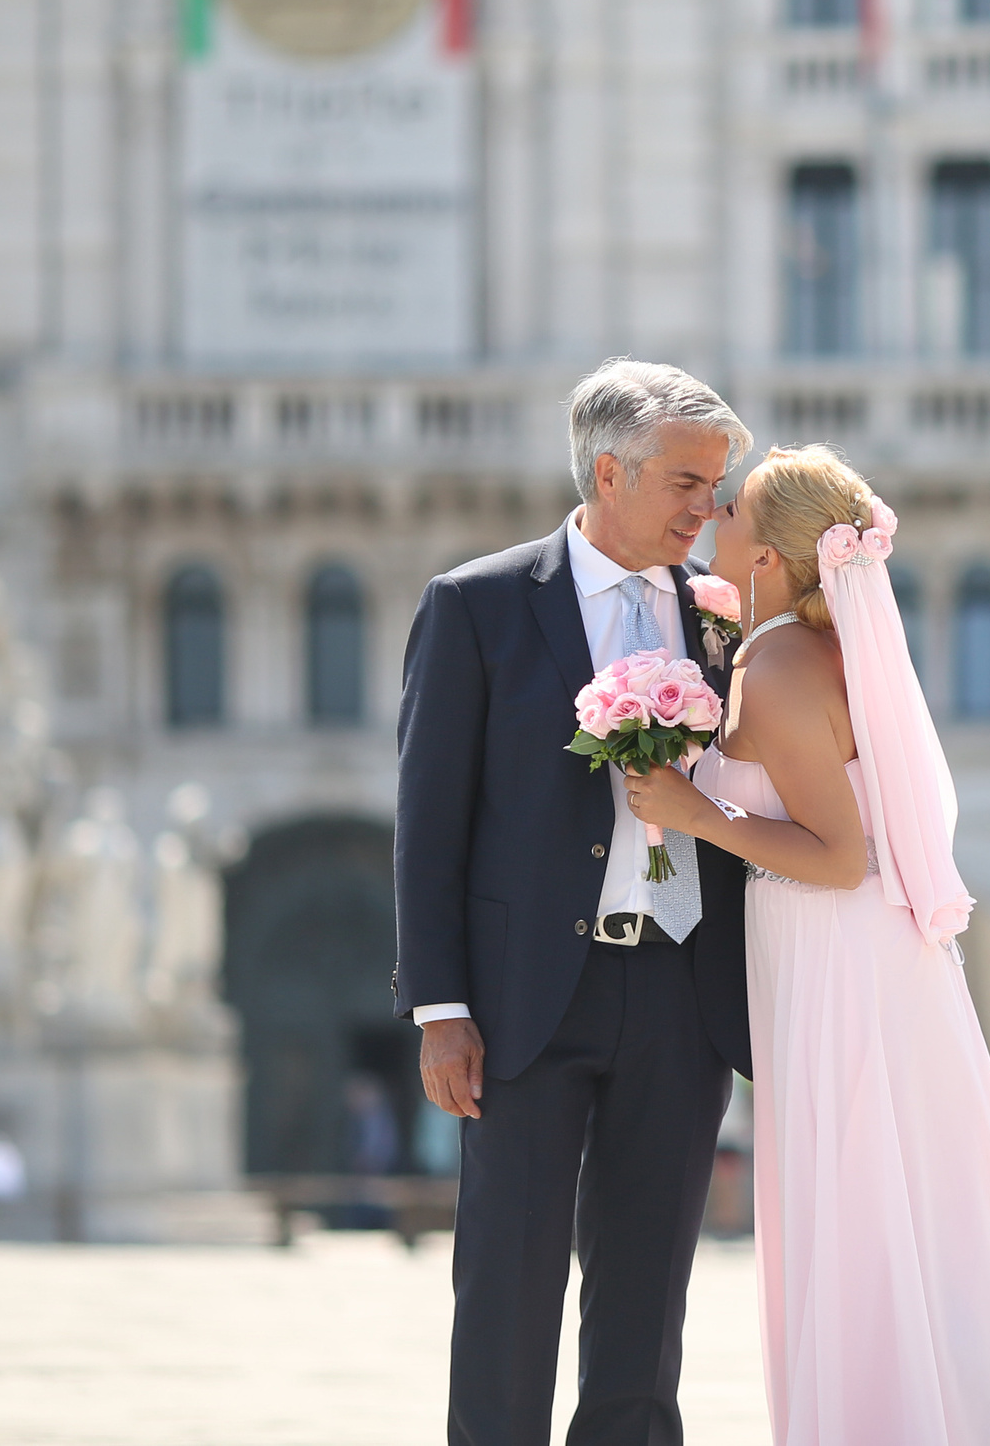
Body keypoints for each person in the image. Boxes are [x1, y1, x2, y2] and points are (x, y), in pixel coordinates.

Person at [626, 445, 990, 1446]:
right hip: (849, 948)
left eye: (732, 508)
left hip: (835, 951)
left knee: (858, 1200)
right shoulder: (792, 649)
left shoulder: (782, 666)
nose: (714, 513)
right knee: (894, 1201)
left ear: (768, 558)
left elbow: (836, 855)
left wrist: (693, 813)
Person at [395, 359, 754, 1446]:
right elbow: (429, 820)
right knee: (507, 1281)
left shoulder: (723, 619)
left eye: (716, 486)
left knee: (648, 1294)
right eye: (687, 483)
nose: (707, 509)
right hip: (525, 1000)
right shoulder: (477, 606)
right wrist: (440, 1008)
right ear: (609, 472)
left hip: (684, 994)